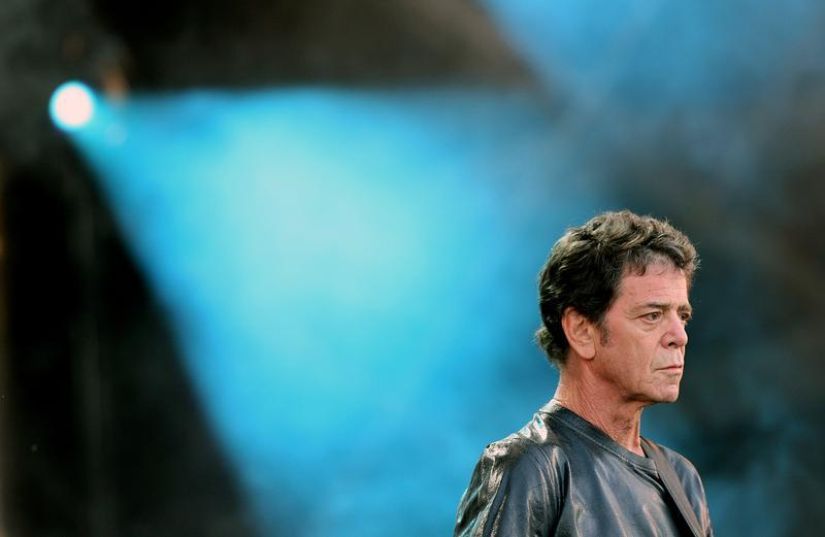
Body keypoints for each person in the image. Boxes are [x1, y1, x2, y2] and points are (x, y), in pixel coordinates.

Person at [454, 210, 714, 537]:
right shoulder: (530, 468)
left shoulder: (681, 478)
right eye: (652, 315)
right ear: (581, 331)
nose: (680, 336)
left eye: (682, 316)